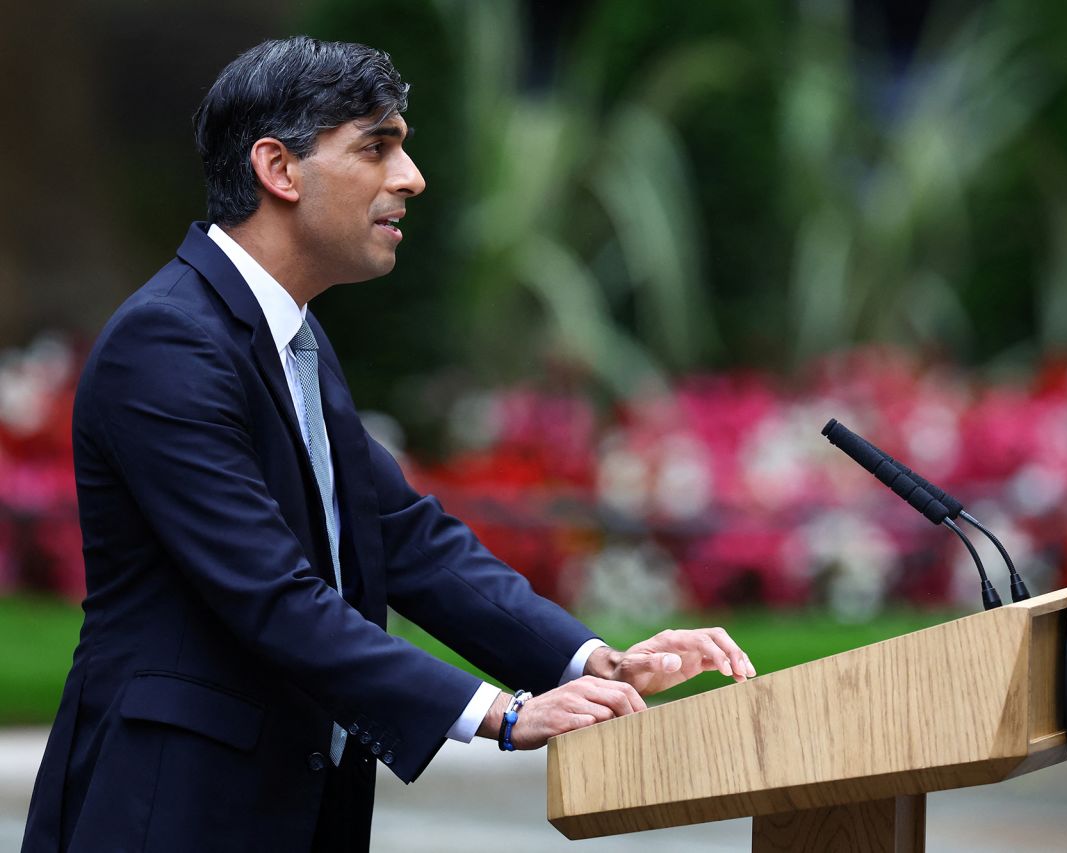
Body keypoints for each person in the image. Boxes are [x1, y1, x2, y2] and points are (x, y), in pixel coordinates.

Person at [22, 36, 754, 853]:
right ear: (280, 168)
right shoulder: (165, 343)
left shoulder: (293, 336)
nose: (411, 178)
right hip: (170, 813)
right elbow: (270, 593)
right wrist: (500, 714)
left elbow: (409, 540)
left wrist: (589, 662)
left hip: (290, 809)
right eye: (377, 147)